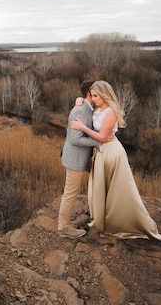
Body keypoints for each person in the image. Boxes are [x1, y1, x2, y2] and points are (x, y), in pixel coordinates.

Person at [71, 80, 161, 241]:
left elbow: (101, 136)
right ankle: (104, 220)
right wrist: (79, 101)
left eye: (95, 96)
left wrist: (83, 128)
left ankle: (125, 223)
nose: (92, 99)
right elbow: (90, 116)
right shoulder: (98, 109)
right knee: (103, 188)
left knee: (118, 191)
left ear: (104, 95)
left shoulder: (111, 112)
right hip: (102, 152)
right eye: (91, 96)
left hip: (112, 153)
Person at [57, 80, 106, 239]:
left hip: (80, 158)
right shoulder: (80, 110)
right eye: (95, 93)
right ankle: (63, 229)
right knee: (70, 194)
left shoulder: (86, 107)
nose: (97, 95)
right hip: (75, 160)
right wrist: (99, 142)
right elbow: (75, 140)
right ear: (88, 94)